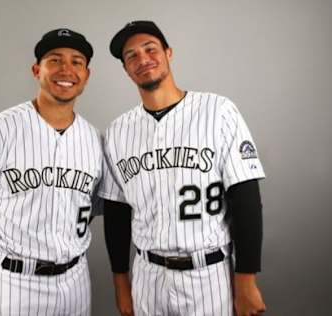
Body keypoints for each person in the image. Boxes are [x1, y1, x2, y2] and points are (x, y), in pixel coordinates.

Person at [99, 21, 267, 316]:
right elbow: (116, 213)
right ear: (126, 69)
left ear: (168, 53)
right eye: (131, 56)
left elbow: (246, 198)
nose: (143, 59)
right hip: (147, 277)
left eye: (150, 49)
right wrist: (121, 284)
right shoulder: (117, 131)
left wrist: (246, 280)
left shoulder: (218, 111)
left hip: (209, 275)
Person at [0, 28, 102, 316]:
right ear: (36, 70)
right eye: (55, 60)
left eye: (77, 62)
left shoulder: (94, 139)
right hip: (16, 283)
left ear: (86, 75)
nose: (66, 69)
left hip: (76, 280)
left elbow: (91, 206)